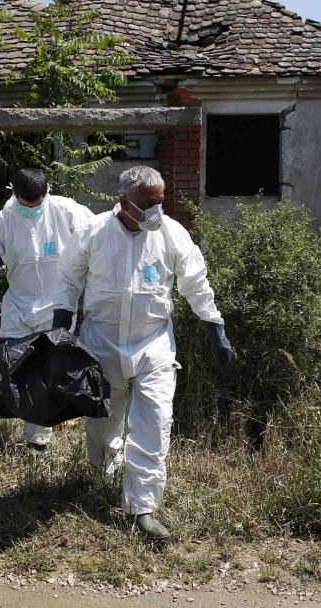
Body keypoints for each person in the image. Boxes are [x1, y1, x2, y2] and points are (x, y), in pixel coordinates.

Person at [53, 165, 235, 540]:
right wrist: (61, 333)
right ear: (124, 202)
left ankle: (142, 508)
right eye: (148, 204)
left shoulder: (171, 234)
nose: (156, 211)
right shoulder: (93, 232)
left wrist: (216, 330)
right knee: (104, 421)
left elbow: (196, 284)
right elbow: (68, 281)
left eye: (160, 202)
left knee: (153, 422)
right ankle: (103, 475)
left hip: (153, 343)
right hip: (100, 342)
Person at [0, 168, 93, 452]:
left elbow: (94, 234)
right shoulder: (3, 221)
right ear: (15, 194)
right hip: (18, 306)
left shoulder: (65, 210)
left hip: (57, 307)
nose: (35, 209)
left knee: (47, 372)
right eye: (29, 205)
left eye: (40, 203)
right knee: (10, 368)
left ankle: (37, 443)